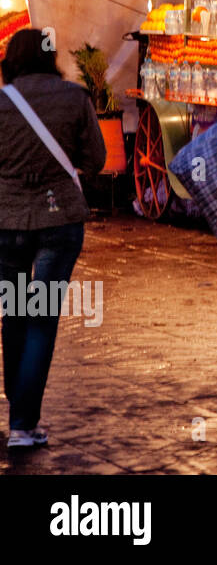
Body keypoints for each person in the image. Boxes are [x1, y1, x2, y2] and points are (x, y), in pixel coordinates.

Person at [0, 30, 107, 448]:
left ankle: (19, 415)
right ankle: (24, 424)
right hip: (58, 223)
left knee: (14, 315)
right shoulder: (74, 98)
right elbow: (95, 160)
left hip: (7, 223)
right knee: (41, 320)